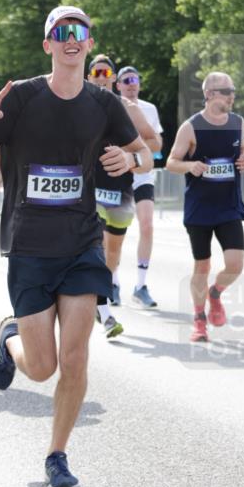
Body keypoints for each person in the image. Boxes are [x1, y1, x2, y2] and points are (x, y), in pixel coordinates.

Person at [0, 6, 152, 487]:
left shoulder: (103, 104)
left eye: (78, 32)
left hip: (82, 242)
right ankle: (10, 337)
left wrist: (128, 156)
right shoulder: (20, 97)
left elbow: (147, 152)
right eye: (60, 32)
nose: (71, 39)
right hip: (30, 247)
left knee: (76, 357)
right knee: (42, 368)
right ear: (48, 44)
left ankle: (57, 456)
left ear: (87, 41)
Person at [166, 71, 244, 343]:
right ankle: (199, 320)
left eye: (233, 90)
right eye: (228, 90)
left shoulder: (238, 122)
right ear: (211, 94)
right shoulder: (190, 127)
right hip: (200, 209)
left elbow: (243, 150)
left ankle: (215, 293)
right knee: (201, 266)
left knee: (235, 265)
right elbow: (170, 162)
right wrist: (190, 166)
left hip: (228, 206)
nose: (233, 94)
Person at [87, 56, 158, 337]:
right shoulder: (77, 102)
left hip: (120, 188)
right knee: (95, 246)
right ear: (89, 76)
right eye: (97, 72)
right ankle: (104, 311)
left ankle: (103, 296)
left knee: (113, 251)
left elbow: (152, 144)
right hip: (89, 188)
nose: (102, 76)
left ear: (114, 80)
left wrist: (131, 158)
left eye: (107, 73)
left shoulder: (128, 108)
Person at [116, 65, 163, 308]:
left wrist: (137, 144)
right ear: (118, 85)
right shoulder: (111, 106)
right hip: (118, 175)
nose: (132, 84)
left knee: (147, 225)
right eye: (126, 80)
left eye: (135, 80)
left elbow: (157, 145)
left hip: (142, 175)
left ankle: (141, 285)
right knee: (115, 234)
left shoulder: (149, 109)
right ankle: (112, 282)